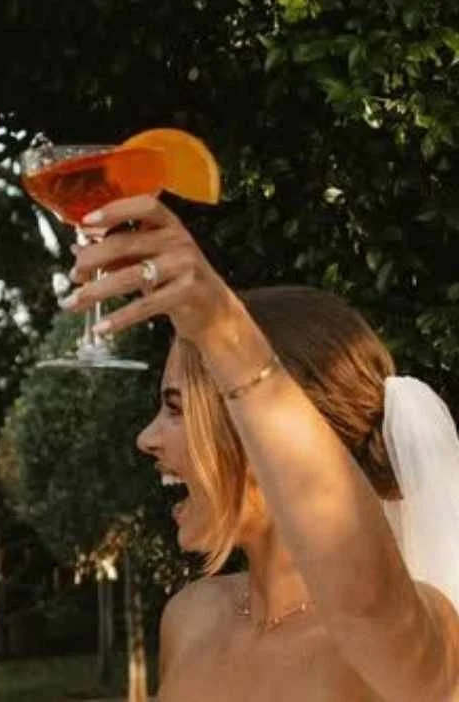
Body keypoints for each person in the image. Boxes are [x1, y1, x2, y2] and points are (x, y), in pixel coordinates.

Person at [65, 192, 459, 702]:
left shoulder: (417, 631)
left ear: (266, 435)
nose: (146, 438)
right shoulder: (190, 618)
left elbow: (362, 602)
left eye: (177, 408)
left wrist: (224, 331)